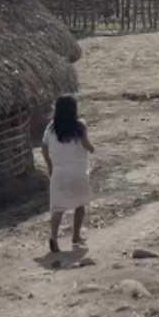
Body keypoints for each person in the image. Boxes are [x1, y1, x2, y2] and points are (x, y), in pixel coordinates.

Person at [40, 94, 94, 251]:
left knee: (58, 208)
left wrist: (50, 164)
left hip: (59, 172)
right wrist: (92, 148)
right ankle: (76, 236)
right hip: (78, 171)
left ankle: (54, 236)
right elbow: (86, 145)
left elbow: (44, 147)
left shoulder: (51, 128)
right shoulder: (79, 126)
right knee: (80, 204)